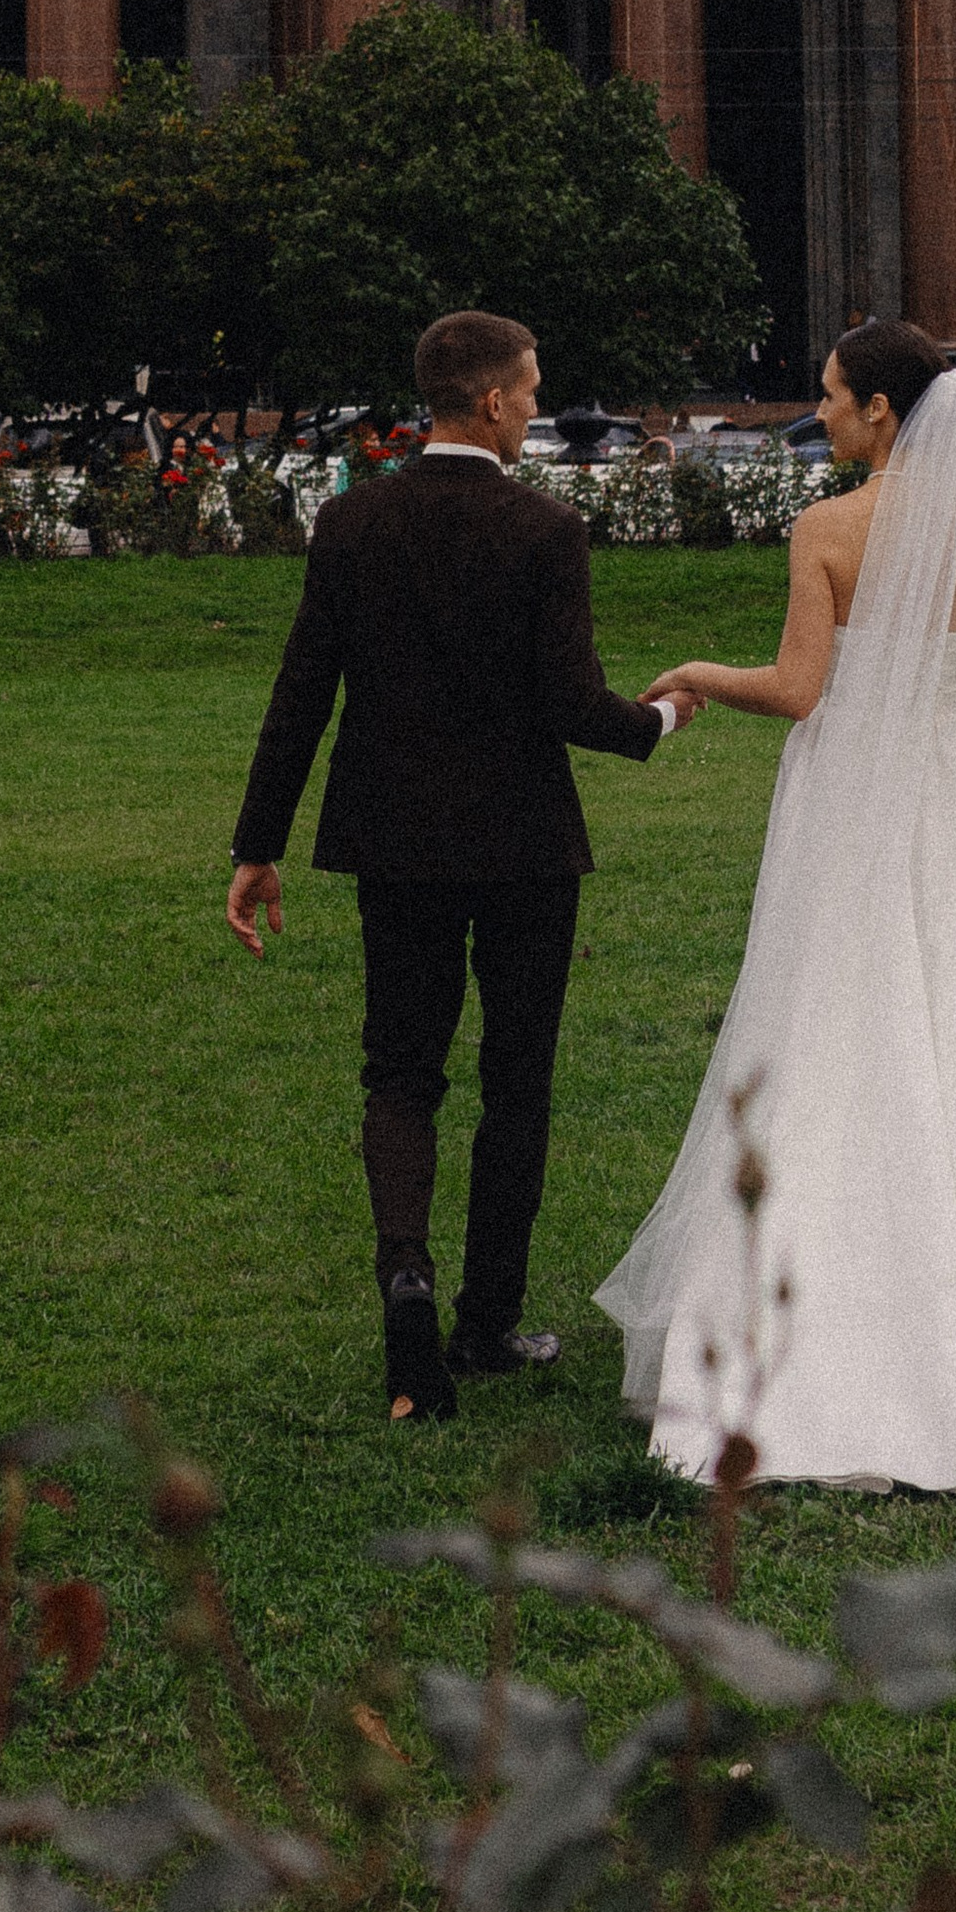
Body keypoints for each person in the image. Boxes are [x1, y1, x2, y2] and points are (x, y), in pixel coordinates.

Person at [597, 319, 956, 1498]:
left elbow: (799, 690)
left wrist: (697, 671)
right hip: (946, 793)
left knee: (829, 1022)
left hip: (850, 792)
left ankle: (816, 1318)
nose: (824, 414)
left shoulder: (827, 529)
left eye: (835, 397)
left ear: (884, 413)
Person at [227, 310, 695, 1424]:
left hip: (391, 841)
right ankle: (483, 1322)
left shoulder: (349, 522)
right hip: (524, 846)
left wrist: (258, 846)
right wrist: (664, 720)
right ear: (488, 401)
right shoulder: (544, 529)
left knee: (401, 1072)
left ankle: (407, 1288)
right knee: (514, 1081)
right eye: (530, 391)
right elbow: (572, 705)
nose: (536, 407)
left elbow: (301, 697)